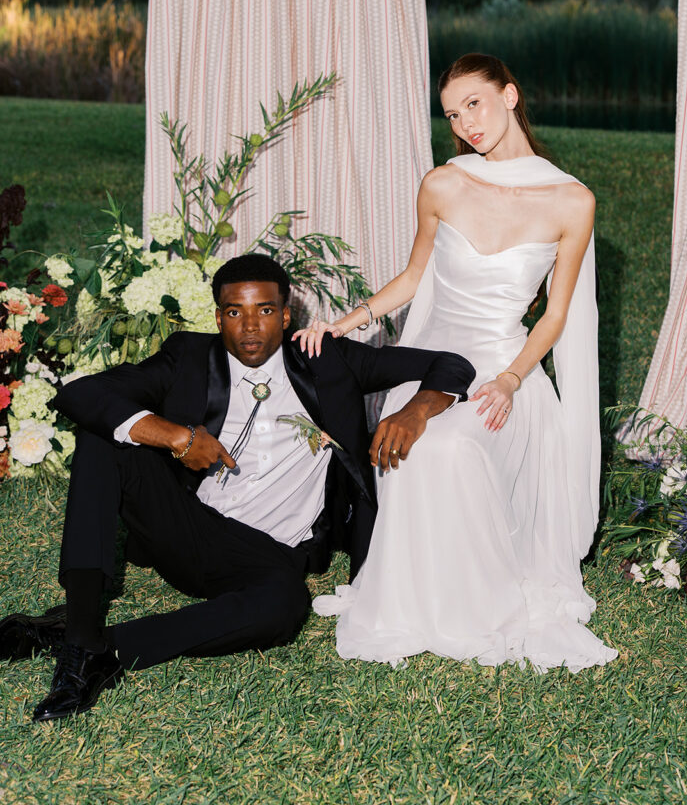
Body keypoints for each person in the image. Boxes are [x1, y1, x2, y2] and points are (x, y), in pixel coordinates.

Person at [0, 253, 474, 721]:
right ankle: (80, 639)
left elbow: (450, 364)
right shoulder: (189, 356)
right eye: (235, 312)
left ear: (287, 316)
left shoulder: (327, 361)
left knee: (284, 605)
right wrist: (178, 438)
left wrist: (415, 411)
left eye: (265, 311)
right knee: (102, 438)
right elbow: (81, 393)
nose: (250, 327)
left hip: (272, 555)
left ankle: (104, 649)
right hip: (191, 531)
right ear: (218, 317)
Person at [296, 53, 618, 672]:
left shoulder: (571, 201)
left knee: (450, 447)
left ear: (510, 95)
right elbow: (415, 277)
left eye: (475, 103)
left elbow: (554, 317)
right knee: (414, 442)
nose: (467, 123)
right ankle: (415, 593)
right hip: (430, 359)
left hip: (503, 365)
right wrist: (345, 321)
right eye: (452, 113)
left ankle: (475, 601)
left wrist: (511, 378)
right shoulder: (442, 183)